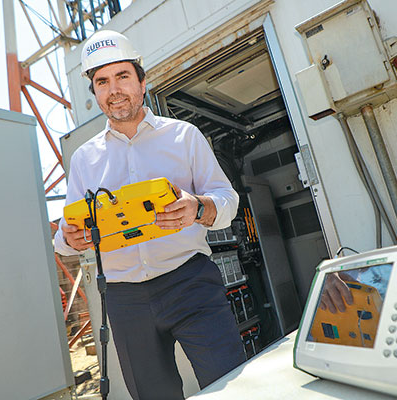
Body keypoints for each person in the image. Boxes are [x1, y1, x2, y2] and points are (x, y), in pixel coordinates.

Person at [54, 29, 246, 400]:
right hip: (125, 300)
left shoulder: (184, 137)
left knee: (229, 384)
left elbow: (228, 200)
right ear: (94, 92)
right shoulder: (84, 159)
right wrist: (68, 238)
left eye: (123, 76)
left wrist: (198, 208)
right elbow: (65, 236)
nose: (114, 90)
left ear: (142, 81)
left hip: (190, 283)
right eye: (102, 81)